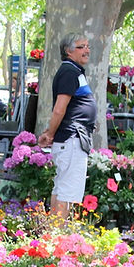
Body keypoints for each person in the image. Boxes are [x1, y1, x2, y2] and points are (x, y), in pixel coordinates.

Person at [37, 33, 96, 218]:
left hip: (72, 137)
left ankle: (54, 230)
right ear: (68, 51)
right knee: (67, 190)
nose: (86, 50)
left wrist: (50, 132)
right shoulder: (70, 72)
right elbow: (59, 109)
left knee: (62, 187)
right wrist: (50, 134)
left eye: (87, 46)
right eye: (81, 47)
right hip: (72, 138)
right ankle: (59, 231)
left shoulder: (73, 71)